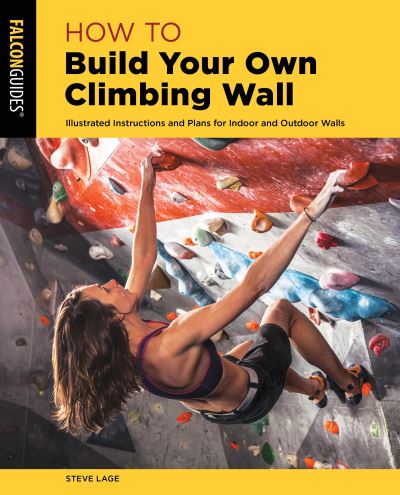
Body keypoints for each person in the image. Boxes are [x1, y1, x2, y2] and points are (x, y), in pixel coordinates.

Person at [52, 156, 368, 433]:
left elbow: (145, 255)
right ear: (112, 318)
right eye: (106, 290)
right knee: (282, 312)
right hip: (257, 391)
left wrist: (147, 183)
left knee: (253, 347)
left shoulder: (122, 346)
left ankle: (314, 390)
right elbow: (254, 285)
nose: (112, 281)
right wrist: (310, 214)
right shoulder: (172, 341)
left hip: (224, 409)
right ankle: (346, 382)